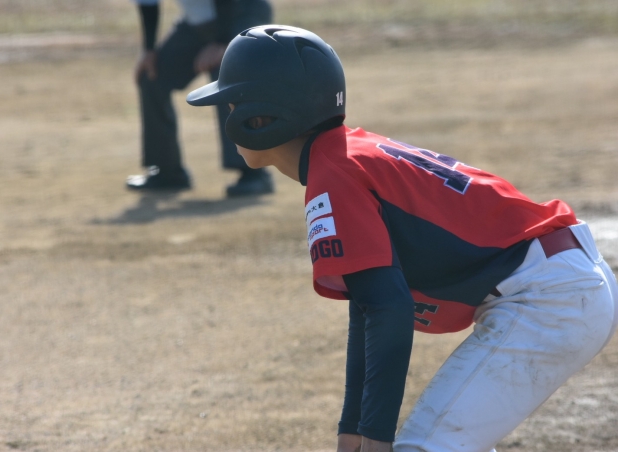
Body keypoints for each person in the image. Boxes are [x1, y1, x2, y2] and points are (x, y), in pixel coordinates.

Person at [186, 25, 618, 451]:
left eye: (233, 103)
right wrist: (353, 429)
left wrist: (376, 437)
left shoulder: (333, 174)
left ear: (261, 117)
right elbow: (368, 303)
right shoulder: (343, 155)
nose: (227, 115)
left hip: (549, 298)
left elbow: (387, 306)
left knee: (421, 448)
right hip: (558, 281)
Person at [126, 0, 274, 196]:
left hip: (241, 12)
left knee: (230, 78)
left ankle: (255, 174)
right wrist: (149, 49)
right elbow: (148, 2)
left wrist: (222, 42)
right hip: (197, 23)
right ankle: (168, 172)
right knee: (152, 77)